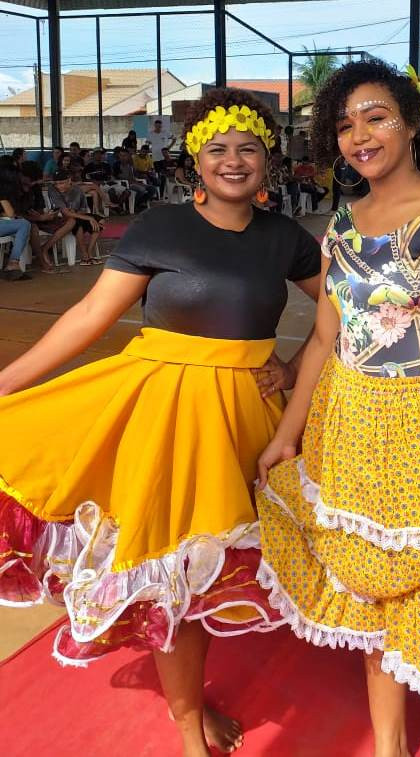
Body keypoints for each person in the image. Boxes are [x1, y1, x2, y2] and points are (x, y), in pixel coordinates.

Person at [0, 87, 321, 757]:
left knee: (206, 572)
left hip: (242, 419)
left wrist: (292, 370)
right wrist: (6, 382)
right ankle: (187, 725)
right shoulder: (159, 227)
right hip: (163, 413)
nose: (233, 161)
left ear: (269, 160)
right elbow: (90, 317)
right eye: (218, 149)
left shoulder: (286, 239)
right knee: (171, 566)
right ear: (195, 160)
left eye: (249, 149)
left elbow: (342, 317)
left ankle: (191, 707)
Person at [255, 58, 420, 756]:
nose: (359, 136)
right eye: (345, 125)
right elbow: (325, 338)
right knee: (365, 582)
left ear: (413, 124)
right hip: (348, 423)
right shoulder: (343, 221)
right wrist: (287, 434)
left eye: (376, 118)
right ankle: (391, 742)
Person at [19, 159, 75, 273]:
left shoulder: (35, 188)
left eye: (34, 180)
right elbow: (17, 215)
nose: (33, 183)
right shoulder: (15, 190)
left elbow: (39, 207)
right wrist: (39, 217)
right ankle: (42, 258)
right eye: (31, 180)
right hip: (27, 221)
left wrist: (46, 215)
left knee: (71, 220)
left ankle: (45, 248)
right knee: (32, 227)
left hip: (39, 218)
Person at [48, 169, 103, 265]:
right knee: (77, 223)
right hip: (62, 218)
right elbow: (65, 212)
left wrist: (79, 213)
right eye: (56, 184)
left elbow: (83, 209)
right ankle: (85, 255)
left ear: (69, 180)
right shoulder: (52, 189)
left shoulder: (77, 190)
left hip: (78, 215)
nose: (59, 186)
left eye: (61, 183)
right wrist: (88, 218)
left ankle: (90, 251)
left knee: (100, 221)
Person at [0, 156, 32, 281]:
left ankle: (13, 263)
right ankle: (13, 262)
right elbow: (10, 213)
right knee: (24, 224)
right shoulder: (2, 189)